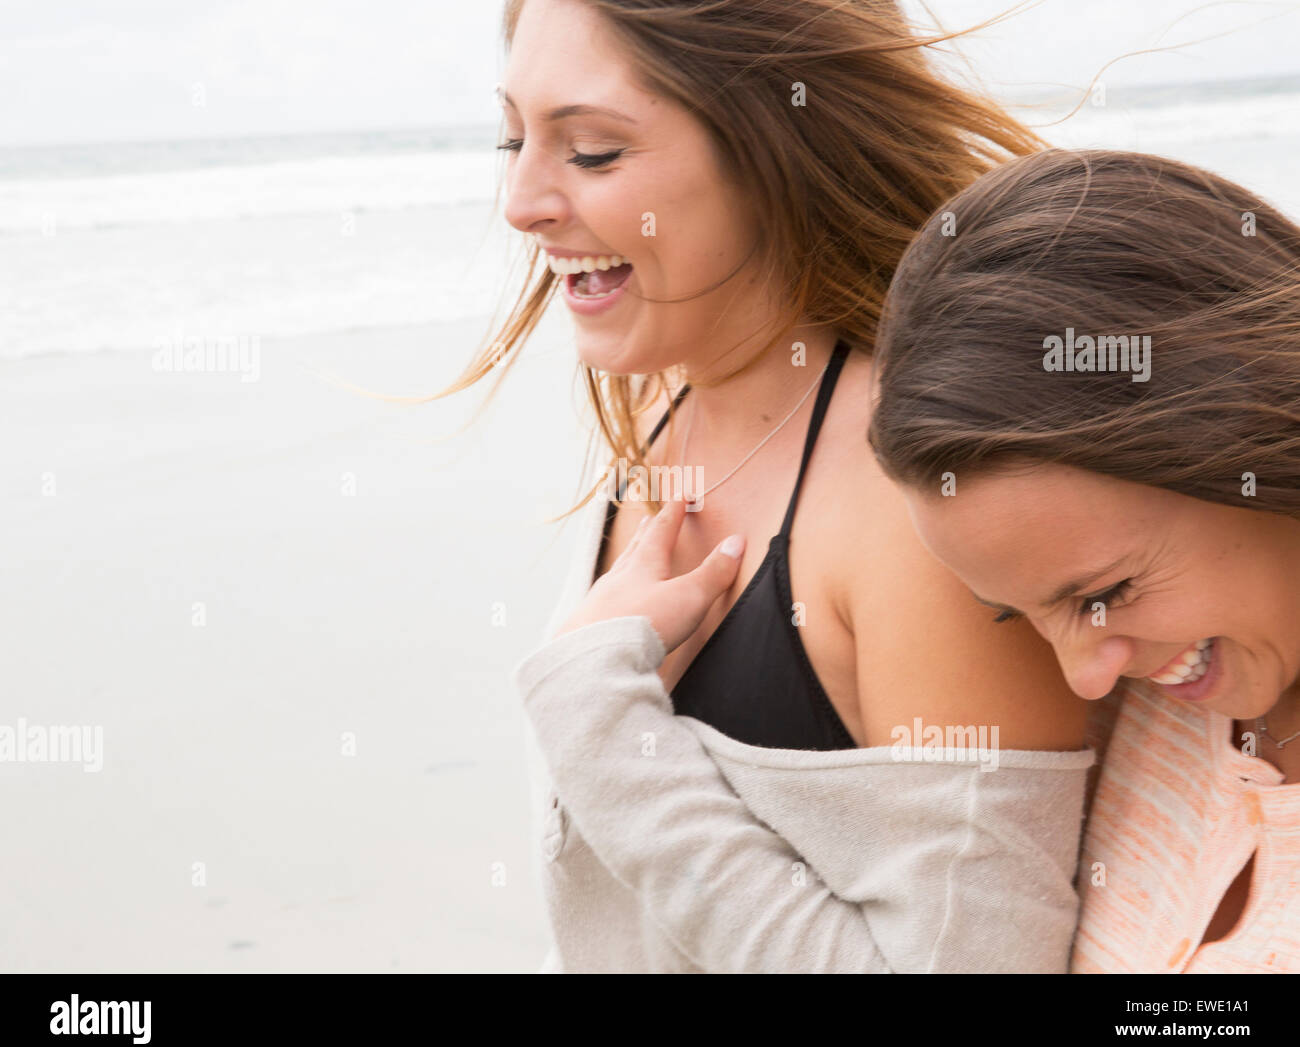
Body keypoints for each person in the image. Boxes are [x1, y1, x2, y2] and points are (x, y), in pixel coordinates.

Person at [453, 0, 1096, 973]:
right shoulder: (673, 403)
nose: (522, 198)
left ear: (772, 141)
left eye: (591, 151)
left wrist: (601, 728)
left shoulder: (912, 505)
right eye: (512, 137)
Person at [868, 147, 1300, 972]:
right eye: (1016, 613)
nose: (1084, 682)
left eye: (1109, 591)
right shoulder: (1145, 707)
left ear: (1259, 419)